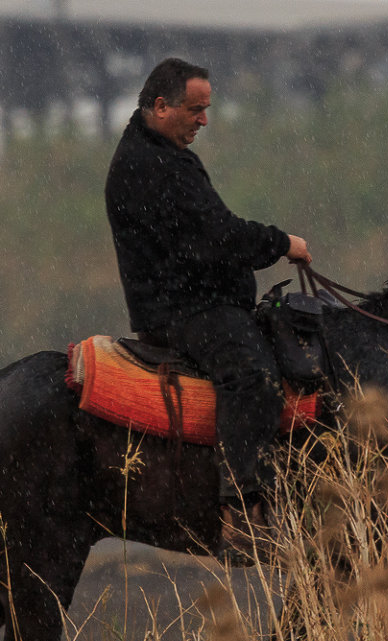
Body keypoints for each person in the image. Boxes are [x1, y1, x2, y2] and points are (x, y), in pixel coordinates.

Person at [104, 57, 312, 563]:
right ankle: (240, 515)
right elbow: (218, 235)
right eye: (195, 110)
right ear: (160, 106)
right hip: (184, 310)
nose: (203, 120)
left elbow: (211, 230)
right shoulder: (150, 165)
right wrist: (282, 242)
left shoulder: (160, 151)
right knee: (254, 378)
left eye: (207, 110)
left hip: (198, 300)